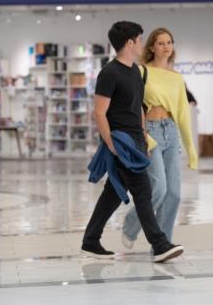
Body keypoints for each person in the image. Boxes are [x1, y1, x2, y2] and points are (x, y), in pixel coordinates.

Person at [81, 21, 183, 263]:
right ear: (129, 42)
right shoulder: (109, 73)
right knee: (143, 190)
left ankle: (90, 241)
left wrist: (143, 132)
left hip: (137, 141)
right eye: (139, 39)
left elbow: (137, 106)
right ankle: (159, 244)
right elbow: (99, 112)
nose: (141, 43)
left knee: (113, 193)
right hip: (120, 143)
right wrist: (111, 144)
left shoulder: (135, 71)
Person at [121, 28, 198, 248]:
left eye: (169, 42)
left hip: (171, 132)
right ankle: (130, 225)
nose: (166, 47)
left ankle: (162, 244)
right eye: (161, 43)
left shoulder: (177, 78)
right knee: (158, 188)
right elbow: (133, 106)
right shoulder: (141, 71)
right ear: (152, 47)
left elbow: (183, 113)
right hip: (150, 132)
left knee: (174, 193)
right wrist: (142, 134)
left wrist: (191, 149)